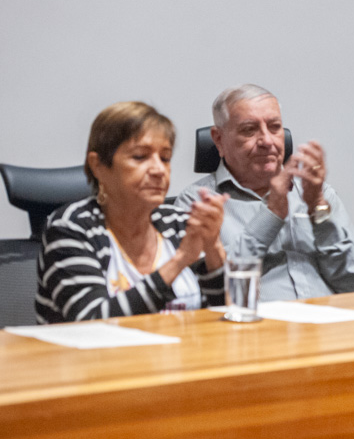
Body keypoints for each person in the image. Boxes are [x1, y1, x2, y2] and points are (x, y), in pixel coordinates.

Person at [37, 102, 228, 323]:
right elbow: (91, 321)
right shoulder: (71, 227)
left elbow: (227, 315)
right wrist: (179, 261)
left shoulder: (177, 222)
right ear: (98, 165)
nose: (158, 170)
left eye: (165, 158)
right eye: (140, 157)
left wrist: (213, 247)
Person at [175, 84, 354, 300]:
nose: (267, 141)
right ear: (218, 139)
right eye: (249, 130)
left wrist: (318, 210)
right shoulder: (197, 202)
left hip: (328, 323)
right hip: (254, 328)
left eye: (275, 127)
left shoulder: (317, 192)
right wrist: (272, 214)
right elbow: (211, 294)